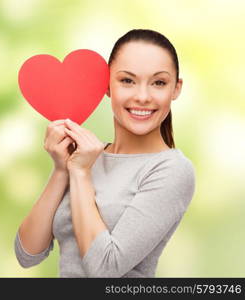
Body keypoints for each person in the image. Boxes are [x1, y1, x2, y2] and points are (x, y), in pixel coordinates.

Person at [14, 29, 196, 278]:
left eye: (159, 83)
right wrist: (61, 169)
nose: (142, 96)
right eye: (127, 81)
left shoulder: (172, 170)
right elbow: (27, 253)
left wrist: (79, 173)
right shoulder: (87, 156)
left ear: (176, 89)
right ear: (107, 85)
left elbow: (105, 270)